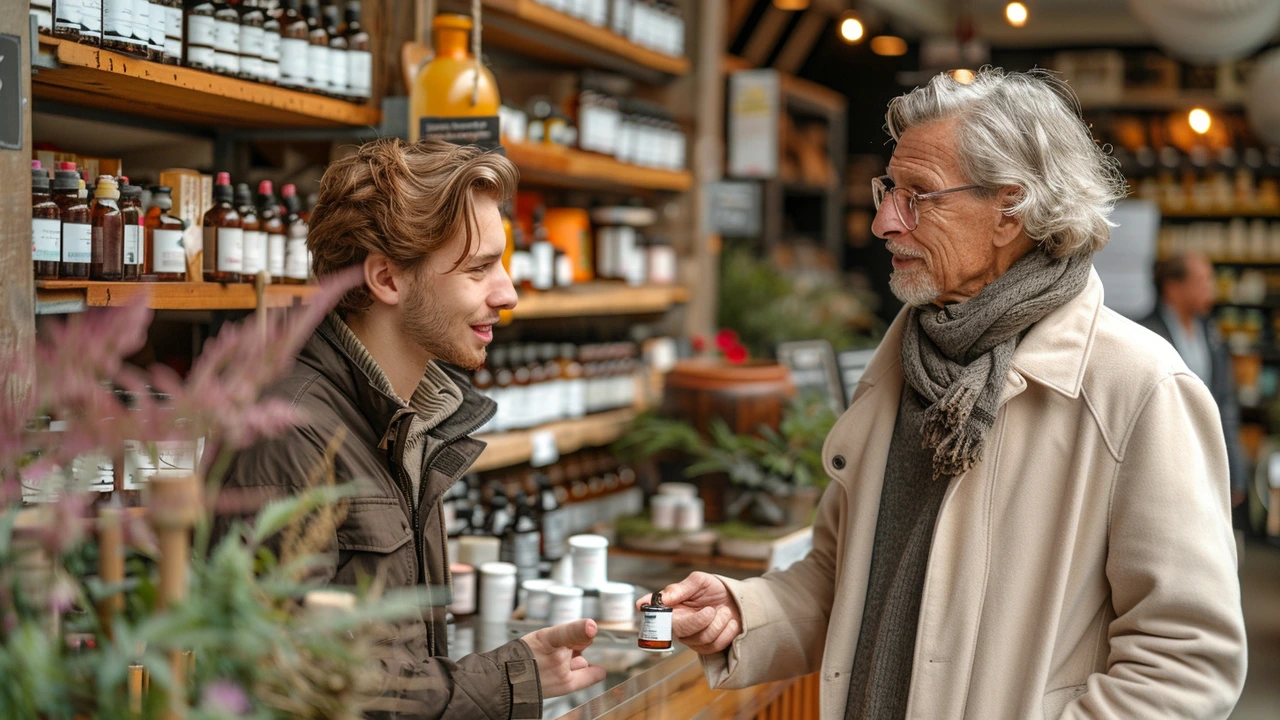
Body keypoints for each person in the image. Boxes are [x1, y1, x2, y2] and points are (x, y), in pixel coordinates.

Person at [644, 69, 1247, 719]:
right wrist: (745, 612)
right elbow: (843, 579)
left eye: (918, 195)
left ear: (1009, 211)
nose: (882, 222)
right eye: (887, 190)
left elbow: (1186, 659)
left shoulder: (1138, 388)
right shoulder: (904, 362)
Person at [216, 138, 605, 718]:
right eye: (478, 269)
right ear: (388, 280)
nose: (509, 294)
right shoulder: (286, 435)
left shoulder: (406, 419)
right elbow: (296, 682)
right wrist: (508, 678)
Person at [1140, 253, 1248, 512]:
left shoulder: (1211, 335)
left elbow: (1224, 404)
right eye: (1202, 280)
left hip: (1205, 460)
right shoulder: (1145, 334)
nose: (1210, 288)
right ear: (1173, 287)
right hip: (1160, 464)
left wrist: (1235, 469)